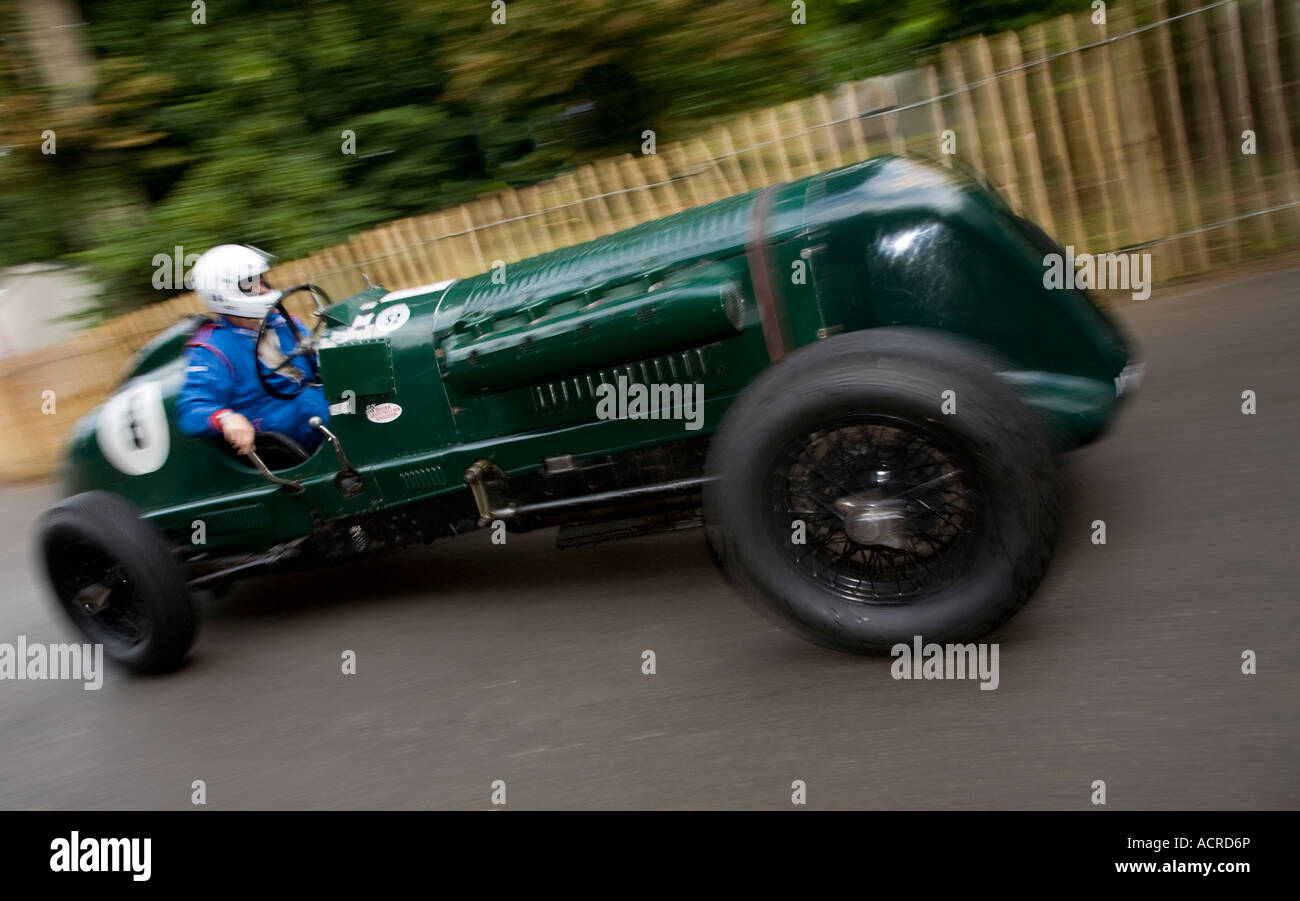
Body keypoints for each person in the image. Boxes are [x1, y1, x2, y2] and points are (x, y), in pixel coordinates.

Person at [176, 244, 329, 456]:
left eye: (262, 280)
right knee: (315, 404)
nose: (265, 289)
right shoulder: (211, 348)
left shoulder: (283, 322)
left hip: (311, 402)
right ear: (223, 292)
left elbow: (321, 364)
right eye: (251, 284)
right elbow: (191, 411)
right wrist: (227, 418)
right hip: (273, 426)